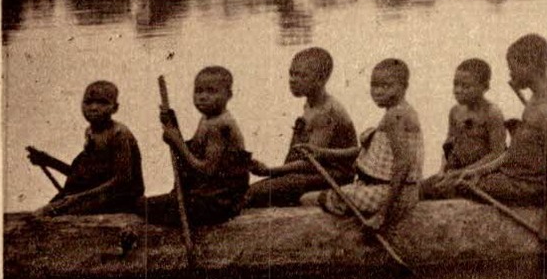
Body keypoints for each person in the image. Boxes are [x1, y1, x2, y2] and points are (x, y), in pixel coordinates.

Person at [456, 35, 547, 242]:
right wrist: (475, 171)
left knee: (455, 186)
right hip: (521, 176)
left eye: (512, 67)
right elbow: (514, 152)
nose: (510, 73)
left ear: (529, 65)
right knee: (462, 178)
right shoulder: (536, 99)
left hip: (534, 186)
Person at [299, 59, 423, 232]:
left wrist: (382, 214)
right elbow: (367, 152)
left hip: (389, 195)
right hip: (388, 190)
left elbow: (403, 164)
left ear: (403, 87)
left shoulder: (395, 117)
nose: (378, 92)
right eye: (375, 85)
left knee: (307, 199)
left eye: (386, 86)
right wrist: (321, 153)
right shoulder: (399, 112)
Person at [246, 47, 358, 207]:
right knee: (259, 189)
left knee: (256, 193)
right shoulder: (311, 104)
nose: (293, 79)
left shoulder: (326, 112)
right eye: (292, 73)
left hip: (333, 176)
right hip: (316, 171)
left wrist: (270, 171)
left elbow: (311, 161)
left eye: (301, 75)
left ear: (320, 79)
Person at [146, 66, 251, 227]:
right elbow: (194, 152)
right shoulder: (207, 119)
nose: (203, 97)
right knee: (149, 205)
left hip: (219, 203)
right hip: (208, 195)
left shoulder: (220, 125)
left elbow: (206, 170)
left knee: (143, 206)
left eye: (211, 92)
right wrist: (173, 124)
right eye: (198, 91)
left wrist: (177, 142)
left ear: (228, 95)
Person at [27, 80, 145, 216]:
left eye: (102, 103)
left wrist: (78, 198)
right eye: (88, 102)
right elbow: (81, 175)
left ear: (115, 108)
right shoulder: (90, 132)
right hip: (97, 194)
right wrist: (48, 161)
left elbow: (122, 181)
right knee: (41, 213)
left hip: (120, 198)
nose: (94, 108)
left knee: (51, 213)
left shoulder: (119, 134)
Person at [419, 58, 508, 200]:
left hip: (480, 173)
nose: (458, 90)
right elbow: (449, 145)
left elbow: (498, 152)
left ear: (484, 87)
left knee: (450, 191)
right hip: (455, 170)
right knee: (422, 189)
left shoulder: (492, 113)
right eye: (456, 84)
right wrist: (443, 169)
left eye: (466, 86)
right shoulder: (455, 112)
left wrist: (467, 172)